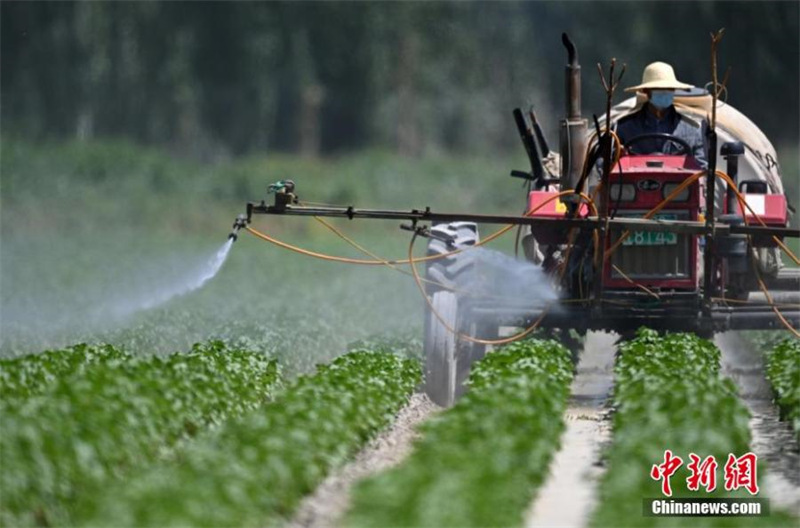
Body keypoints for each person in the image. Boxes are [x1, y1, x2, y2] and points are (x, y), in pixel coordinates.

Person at [616, 62, 707, 167]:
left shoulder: (692, 129)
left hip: (681, 183)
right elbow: (607, 166)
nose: (664, 92)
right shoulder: (624, 127)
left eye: (669, 89)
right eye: (658, 89)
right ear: (646, 91)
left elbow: (701, 169)